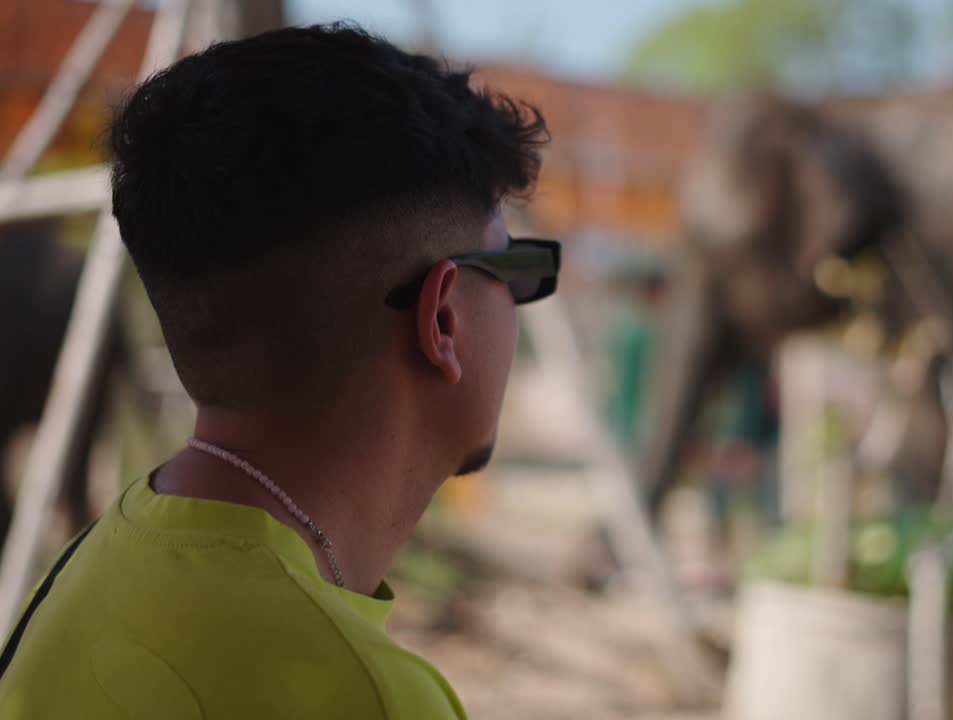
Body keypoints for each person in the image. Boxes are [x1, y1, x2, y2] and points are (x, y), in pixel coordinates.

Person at [0, 24, 555, 719]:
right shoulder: (361, 694)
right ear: (442, 320)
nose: (522, 304)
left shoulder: (81, 577)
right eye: (518, 270)